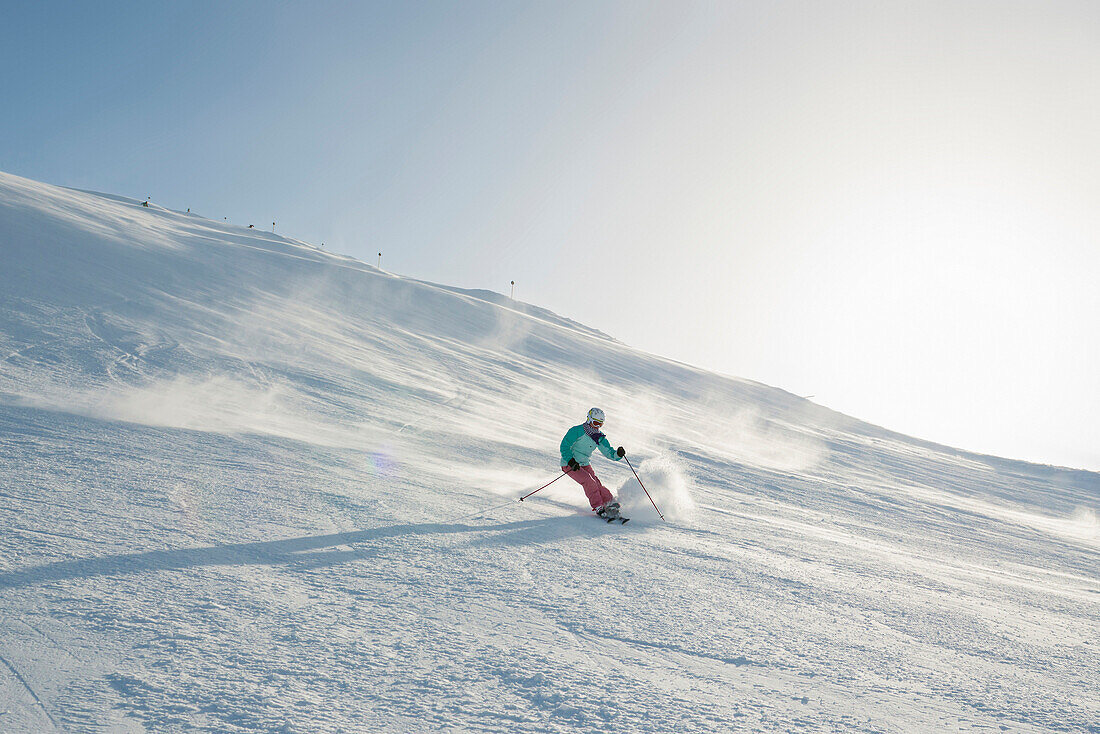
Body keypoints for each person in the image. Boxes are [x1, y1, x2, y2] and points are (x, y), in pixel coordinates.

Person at [560, 408, 627, 518]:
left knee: (596, 484)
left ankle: (609, 503)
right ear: (589, 419)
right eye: (596, 423)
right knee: (589, 481)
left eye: (600, 424)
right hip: (569, 464)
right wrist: (570, 460)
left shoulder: (598, 437)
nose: (597, 427)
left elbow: (609, 452)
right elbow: (564, 446)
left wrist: (618, 454)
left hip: (584, 464)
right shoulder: (576, 431)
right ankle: (598, 506)